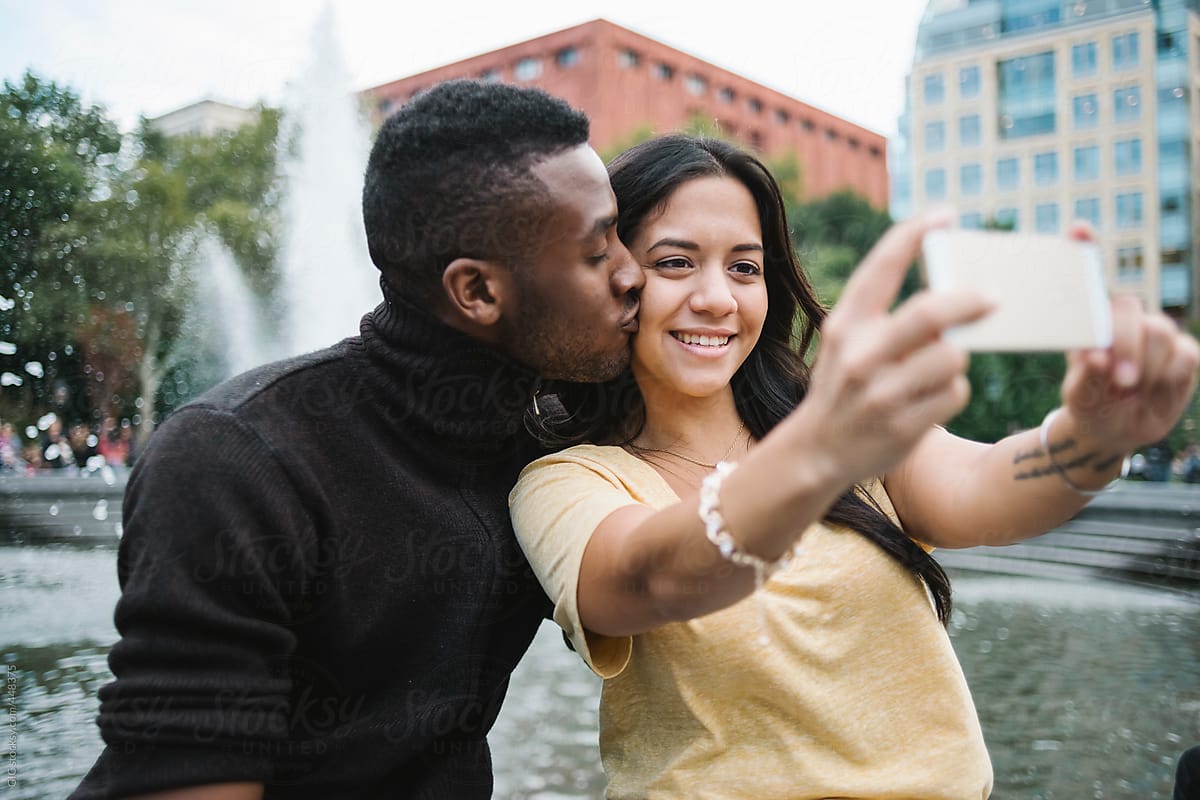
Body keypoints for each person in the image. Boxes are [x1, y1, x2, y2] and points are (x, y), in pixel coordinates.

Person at [509, 135, 1200, 799]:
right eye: (675, 262)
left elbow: (989, 485)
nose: (718, 297)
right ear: (618, 281)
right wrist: (817, 450)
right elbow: (647, 576)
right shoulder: (567, 481)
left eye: (745, 267)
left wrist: (1092, 436)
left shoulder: (843, 428)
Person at [71, 79, 642, 800]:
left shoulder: (545, 441)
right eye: (598, 253)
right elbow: (186, 776)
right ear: (477, 293)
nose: (633, 273)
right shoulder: (237, 459)